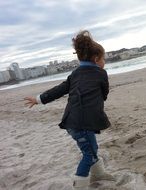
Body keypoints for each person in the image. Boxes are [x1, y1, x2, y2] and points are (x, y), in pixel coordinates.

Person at [24, 30, 114, 189]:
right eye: (104, 58)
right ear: (96, 59)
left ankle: (98, 174)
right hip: (82, 123)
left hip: (71, 122)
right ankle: (79, 185)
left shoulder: (75, 74)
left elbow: (60, 89)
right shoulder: (101, 73)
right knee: (88, 154)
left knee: (91, 149)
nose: (104, 62)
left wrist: (39, 99)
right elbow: (104, 93)